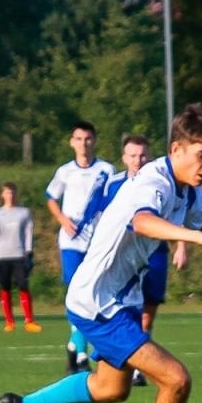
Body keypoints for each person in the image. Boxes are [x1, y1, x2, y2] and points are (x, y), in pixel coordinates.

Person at [0, 104, 202, 403]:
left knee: (112, 388)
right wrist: (197, 239)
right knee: (176, 378)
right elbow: (142, 221)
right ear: (176, 150)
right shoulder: (152, 181)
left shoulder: (188, 190)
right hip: (96, 301)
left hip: (120, 299)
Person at [104, 133, 189, 386]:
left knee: (149, 308)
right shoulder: (114, 184)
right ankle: (124, 358)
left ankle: (139, 367)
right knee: (125, 307)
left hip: (155, 252)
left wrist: (182, 245)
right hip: (122, 259)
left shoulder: (161, 182)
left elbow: (177, 216)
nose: (138, 160)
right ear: (124, 157)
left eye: (142, 155)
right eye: (133, 155)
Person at [45, 120, 116, 373]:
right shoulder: (65, 172)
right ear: (71, 142)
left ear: (94, 140)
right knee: (76, 293)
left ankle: (76, 346)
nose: (83, 143)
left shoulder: (106, 170)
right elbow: (51, 198)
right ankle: (82, 352)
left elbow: (112, 202)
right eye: (78, 139)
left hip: (97, 242)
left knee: (95, 294)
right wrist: (63, 220)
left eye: (87, 139)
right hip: (71, 243)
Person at [0, 182, 42, 332]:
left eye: (12, 193)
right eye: (7, 193)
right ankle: (9, 322)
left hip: (19, 254)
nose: (10, 196)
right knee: (5, 287)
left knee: (23, 285)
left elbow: (28, 233)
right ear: (2, 195)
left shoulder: (24, 212)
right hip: (2, 255)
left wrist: (29, 253)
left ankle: (29, 321)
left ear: (15, 194)